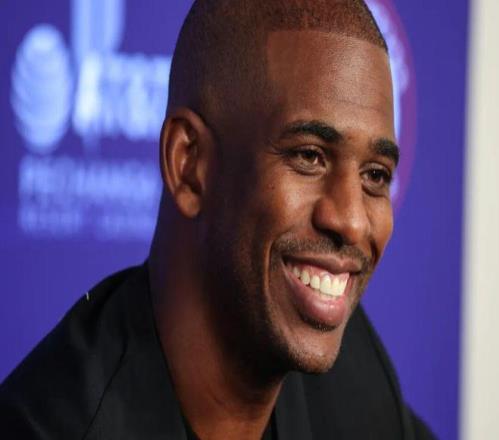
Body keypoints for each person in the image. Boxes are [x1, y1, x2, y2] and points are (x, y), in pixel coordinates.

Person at [0, 1, 436, 438]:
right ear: (190, 164)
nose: (353, 222)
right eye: (309, 156)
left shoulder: (352, 374)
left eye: (375, 175)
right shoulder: (45, 428)